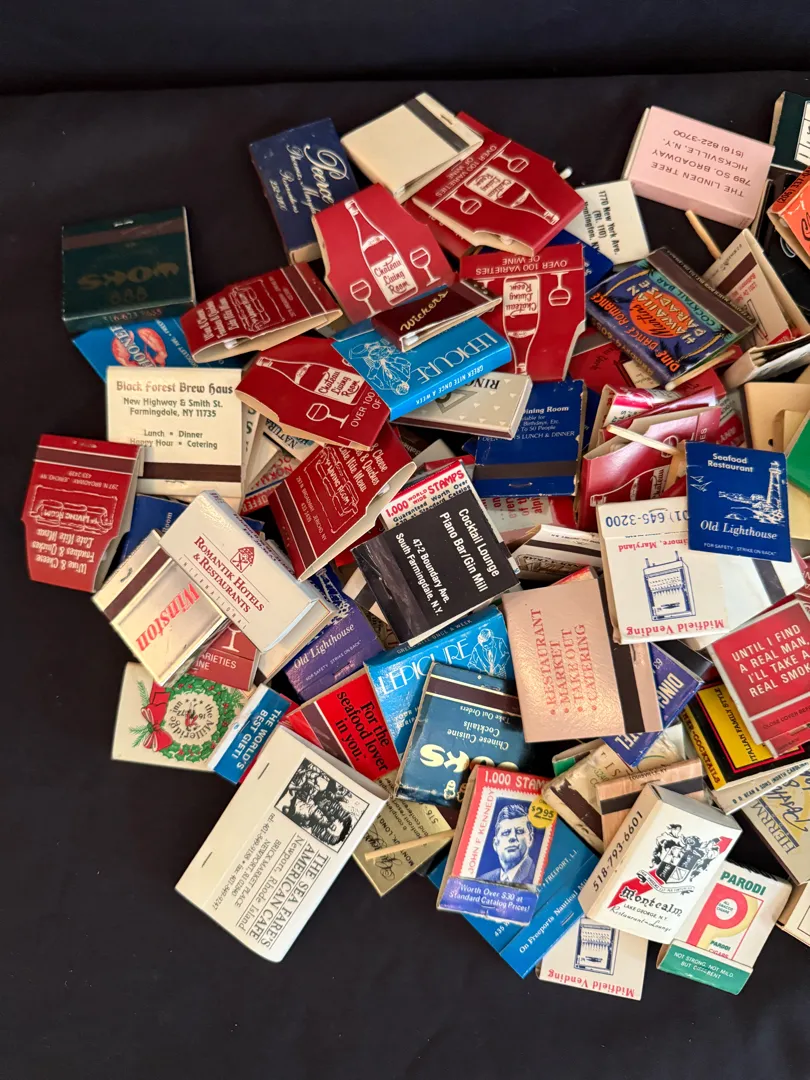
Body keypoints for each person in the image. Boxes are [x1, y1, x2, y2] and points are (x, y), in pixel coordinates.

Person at [480, 804, 536, 884]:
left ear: (530, 839)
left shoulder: (537, 875)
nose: (512, 837)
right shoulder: (482, 880)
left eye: (519, 831)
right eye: (506, 833)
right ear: (495, 844)